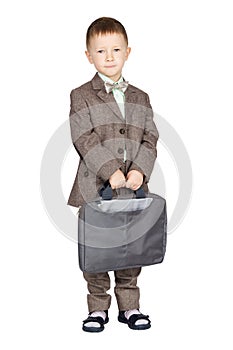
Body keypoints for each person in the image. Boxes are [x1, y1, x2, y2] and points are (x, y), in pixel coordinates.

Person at [68, 17, 159, 332]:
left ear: (128, 52)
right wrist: (110, 171)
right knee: (97, 250)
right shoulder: (81, 95)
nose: (109, 57)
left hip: (133, 189)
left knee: (130, 249)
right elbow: (84, 137)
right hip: (94, 188)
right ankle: (97, 309)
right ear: (88, 56)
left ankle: (130, 307)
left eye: (116, 50)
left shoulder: (140, 97)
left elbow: (150, 138)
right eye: (101, 51)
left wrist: (139, 170)